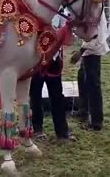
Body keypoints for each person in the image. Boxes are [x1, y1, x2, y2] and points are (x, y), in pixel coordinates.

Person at [29, 9, 75, 143]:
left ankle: (62, 132)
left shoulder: (64, 13)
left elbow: (64, 34)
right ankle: (37, 129)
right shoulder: (37, 8)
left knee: (57, 97)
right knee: (35, 95)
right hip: (37, 60)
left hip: (55, 61)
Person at [71, 13, 110, 131]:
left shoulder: (96, 11)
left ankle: (96, 122)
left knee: (93, 86)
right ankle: (83, 110)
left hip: (93, 51)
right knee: (82, 79)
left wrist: (80, 52)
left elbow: (96, 36)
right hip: (87, 51)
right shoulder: (89, 8)